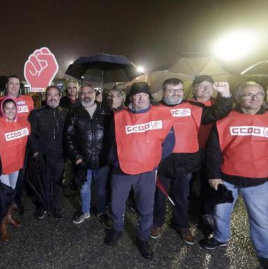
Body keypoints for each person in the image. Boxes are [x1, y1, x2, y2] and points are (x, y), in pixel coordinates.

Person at [151, 78, 232, 245]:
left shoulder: (194, 108)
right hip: (161, 162)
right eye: (171, 90)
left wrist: (224, 94)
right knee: (158, 196)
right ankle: (155, 222)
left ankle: (181, 224)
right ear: (163, 92)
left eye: (179, 90)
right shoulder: (154, 109)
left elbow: (217, 112)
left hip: (186, 162)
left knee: (182, 196)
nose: (176, 93)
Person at [200, 81, 268, 269]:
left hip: (259, 182)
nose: (255, 98)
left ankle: (264, 252)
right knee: (220, 214)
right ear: (238, 98)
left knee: (261, 221)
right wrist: (213, 175)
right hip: (227, 179)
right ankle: (221, 238)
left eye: (259, 94)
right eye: (249, 95)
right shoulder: (225, 119)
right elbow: (214, 150)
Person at [105, 82, 175, 260]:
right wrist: (115, 161)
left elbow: (168, 143)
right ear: (131, 98)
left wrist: (154, 160)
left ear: (149, 97)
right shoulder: (119, 117)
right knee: (117, 204)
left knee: (146, 207)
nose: (141, 98)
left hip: (147, 171)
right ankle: (117, 228)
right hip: (121, 171)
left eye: (144, 95)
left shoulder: (161, 115)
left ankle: (143, 237)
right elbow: (110, 143)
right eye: (137, 95)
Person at [64, 84, 111, 228]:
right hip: (82, 160)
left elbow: (112, 135)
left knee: (101, 188)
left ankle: (102, 212)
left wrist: (109, 154)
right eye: (83, 93)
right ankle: (85, 211)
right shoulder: (74, 112)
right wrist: (76, 156)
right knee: (84, 188)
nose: (86, 95)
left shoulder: (106, 112)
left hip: (102, 159)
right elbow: (68, 136)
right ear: (79, 96)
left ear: (95, 93)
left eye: (89, 92)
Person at [0, 97, 31, 242]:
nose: (10, 111)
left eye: (13, 108)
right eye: (7, 108)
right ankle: (2, 225)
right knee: (2, 197)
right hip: (1, 166)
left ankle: (9, 216)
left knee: (11, 193)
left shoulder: (22, 122)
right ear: (2, 110)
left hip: (15, 165)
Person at [0, 75, 35, 213]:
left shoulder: (28, 100)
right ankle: (7, 206)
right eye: (11, 83)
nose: (14, 86)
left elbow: (34, 120)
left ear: (20, 86)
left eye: (17, 84)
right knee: (7, 178)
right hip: (7, 145)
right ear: (7, 85)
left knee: (20, 175)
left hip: (24, 144)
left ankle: (16, 201)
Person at [28, 86, 68, 220]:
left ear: (60, 96)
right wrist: (35, 151)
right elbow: (31, 134)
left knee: (58, 182)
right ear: (46, 97)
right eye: (49, 95)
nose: (52, 98)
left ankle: (56, 206)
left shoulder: (66, 113)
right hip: (42, 155)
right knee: (42, 182)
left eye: (55, 95)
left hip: (60, 155)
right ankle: (42, 205)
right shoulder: (36, 113)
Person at [190, 75, 217, 233]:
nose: (206, 88)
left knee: (209, 184)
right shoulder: (187, 104)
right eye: (201, 85)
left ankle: (206, 216)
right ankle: (187, 212)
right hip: (191, 151)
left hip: (212, 151)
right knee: (188, 184)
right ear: (193, 88)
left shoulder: (219, 104)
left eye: (209, 85)